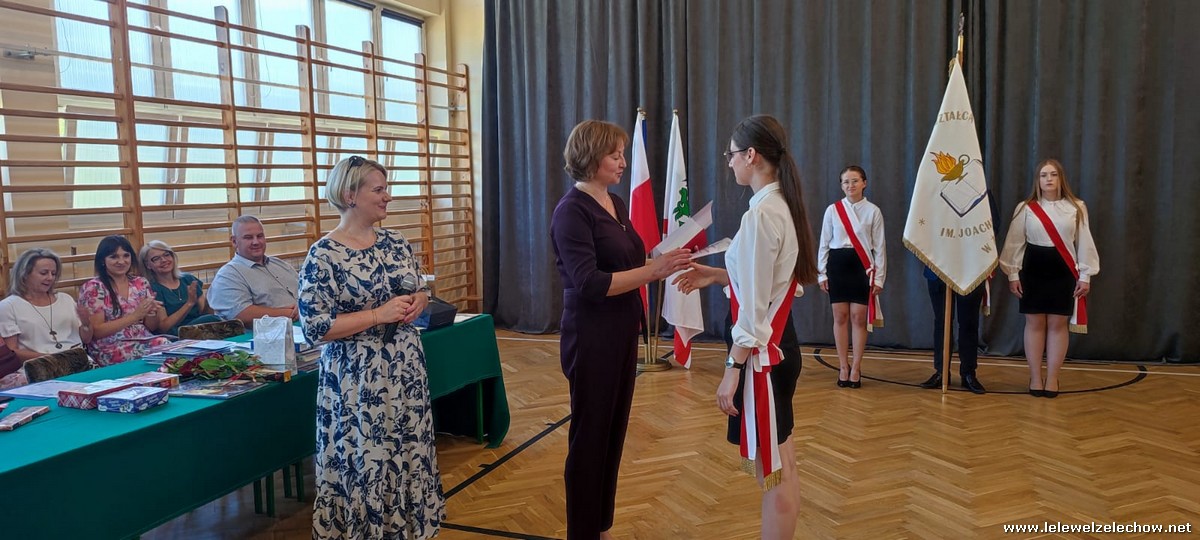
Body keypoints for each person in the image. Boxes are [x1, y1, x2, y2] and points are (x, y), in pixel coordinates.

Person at [672, 115, 818, 538]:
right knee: (783, 463)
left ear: (751, 155)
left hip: (761, 359)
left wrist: (731, 369)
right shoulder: (781, 206)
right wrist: (719, 275)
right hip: (780, 346)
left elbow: (753, 311)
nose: (729, 161)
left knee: (772, 471)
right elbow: (773, 285)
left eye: (732, 154)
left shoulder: (761, 216)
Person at [550, 120, 690, 540]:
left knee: (612, 433)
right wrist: (653, 271)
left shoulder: (614, 202)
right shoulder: (571, 211)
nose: (623, 162)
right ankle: (582, 531)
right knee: (590, 437)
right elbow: (590, 283)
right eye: (615, 155)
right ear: (591, 157)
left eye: (623, 154)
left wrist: (665, 260)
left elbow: (628, 260)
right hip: (591, 335)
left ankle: (600, 525)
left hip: (622, 329)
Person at [299, 155, 443, 539]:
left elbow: (419, 288)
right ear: (350, 195)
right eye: (378, 190)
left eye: (386, 188)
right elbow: (315, 326)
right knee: (368, 457)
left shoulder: (396, 242)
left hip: (404, 369)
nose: (387, 197)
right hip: (358, 378)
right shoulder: (324, 254)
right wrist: (378, 315)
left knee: (407, 450)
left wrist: (419, 301)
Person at [1000, 159, 1098, 398]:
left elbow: (1084, 241)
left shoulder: (1076, 207)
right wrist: (1013, 273)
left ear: (1061, 178)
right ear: (1038, 180)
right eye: (1044, 175)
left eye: (1053, 174)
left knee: (1057, 324)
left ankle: (1053, 378)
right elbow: (1014, 242)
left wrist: (1085, 275)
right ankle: (1035, 377)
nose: (1049, 179)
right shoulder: (1026, 208)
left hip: (1062, 271)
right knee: (1034, 323)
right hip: (1033, 270)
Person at [918, 194, 999, 394]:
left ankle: (968, 373)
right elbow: (921, 227)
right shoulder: (931, 192)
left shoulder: (981, 192)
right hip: (938, 266)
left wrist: (966, 243)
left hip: (971, 266)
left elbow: (993, 227)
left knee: (968, 322)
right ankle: (941, 371)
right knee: (942, 322)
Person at [816, 165, 886, 388]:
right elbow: (824, 243)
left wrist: (879, 278)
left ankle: (856, 367)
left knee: (858, 317)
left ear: (864, 183)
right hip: (837, 266)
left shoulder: (873, 211)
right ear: (841, 185)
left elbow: (880, 247)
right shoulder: (832, 210)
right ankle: (843, 366)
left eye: (855, 181)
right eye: (846, 181)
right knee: (840, 317)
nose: (850, 185)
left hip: (861, 267)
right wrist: (821, 273)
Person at [0, 248, 93, 387]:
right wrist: (53, 359)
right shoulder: (9, 306)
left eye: (53, 273)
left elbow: (86, 339)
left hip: (77, 364)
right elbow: (12, 352)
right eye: (44, 273)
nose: (50, 278)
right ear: (25, 274)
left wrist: (86, 324)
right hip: (39, 367)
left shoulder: (66, 299)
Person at [78, 236, 170, 366]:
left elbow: (151, 327)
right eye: (114, 257)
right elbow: (96, 331)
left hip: (144, 340)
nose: (121, 261)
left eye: (126, 256)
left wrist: (151, 312)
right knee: (161, 352)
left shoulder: (140, 282)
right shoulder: (94, 287)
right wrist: (135, 316)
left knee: (172, 349)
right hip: (110, 348)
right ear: (103, 260)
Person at [208, 215, 300, 326]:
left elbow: (307, 291)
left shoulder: (280, 264)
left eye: (260, 236)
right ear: (234, 241)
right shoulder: (228, 275)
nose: (256, 242)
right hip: (270, 333)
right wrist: (290, 313)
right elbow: (240, 313)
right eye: (248, 237)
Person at [140, 240, 222, 335]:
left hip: (199, 329)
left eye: (166, 255)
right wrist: (189, 304)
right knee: (214, 320)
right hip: (175, 334)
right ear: (148, 265)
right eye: (156, 259)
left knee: (217, 321)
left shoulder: (188, 279)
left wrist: (210, 298)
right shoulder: (153, 288)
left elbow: (206, 313)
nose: (164, 260)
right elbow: (164, 327)